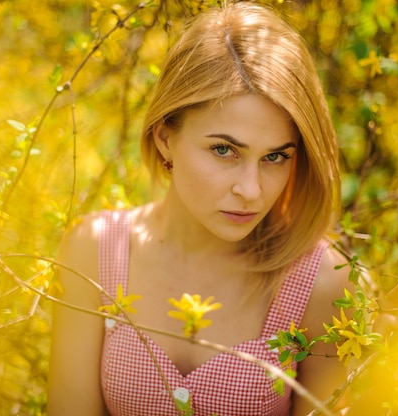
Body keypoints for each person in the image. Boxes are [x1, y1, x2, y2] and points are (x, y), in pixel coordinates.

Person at [47, 1, 350, 415]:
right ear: (165, 137)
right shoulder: (94, 252)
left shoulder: (319, 284)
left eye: (276, 157)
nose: (251, 189)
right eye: (224, 150)